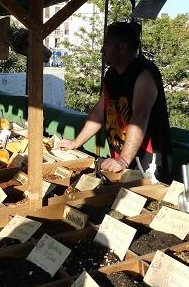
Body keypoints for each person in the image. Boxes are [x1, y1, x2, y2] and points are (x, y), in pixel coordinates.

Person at [58, 22, 174, 182]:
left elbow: (140, 117)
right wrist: (76, 142)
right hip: (120, 157)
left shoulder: (144, 74)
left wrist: (123, 160)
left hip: (147, 161)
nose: (102, 50)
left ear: (122, 47)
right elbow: (100, 111)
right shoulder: (112, 74)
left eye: (106, 44)